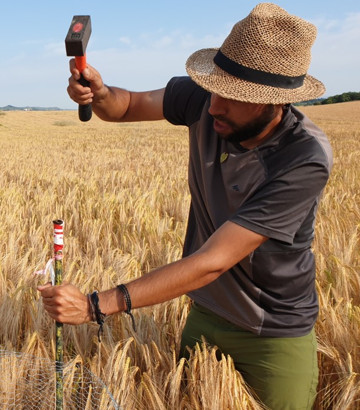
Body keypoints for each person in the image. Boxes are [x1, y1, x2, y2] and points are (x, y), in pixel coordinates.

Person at [37, 3, 332, 409]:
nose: (212, 108)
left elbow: (213, 260)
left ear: (273, 102)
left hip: (273, 332)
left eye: (233, 98)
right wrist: (100, 94)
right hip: (206, 312)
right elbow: (125, 106)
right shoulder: (206, 98)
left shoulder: (303, 158)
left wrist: (94, 305)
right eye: (215, 90)